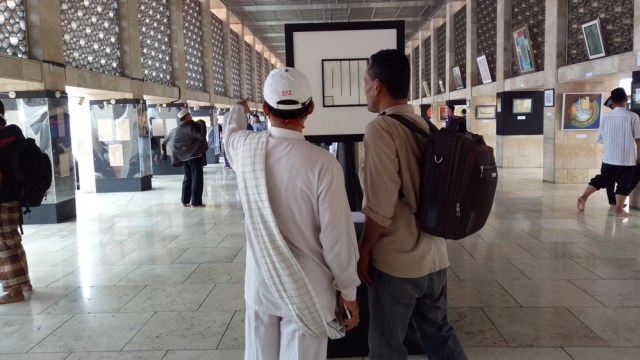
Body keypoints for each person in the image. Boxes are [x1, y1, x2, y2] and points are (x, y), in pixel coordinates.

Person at [224, 67, 360, 360]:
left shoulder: (244, 150)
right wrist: (348, 291)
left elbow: (230, 132)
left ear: (264, 109)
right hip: (308, 294)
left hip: (260, 288)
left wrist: (238, 108)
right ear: (310, 109)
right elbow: (337, 239)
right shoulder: (324, 165)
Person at [358, 49, 467, 360]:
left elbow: (381, 206)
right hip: (435, 259)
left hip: (397, 265)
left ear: (377, 85)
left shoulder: (381, 128)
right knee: (439, 337)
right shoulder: (424, 125)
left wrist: (364, 251)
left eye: (365, 81)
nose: (364, 89)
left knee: (386, 348)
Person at [577, 87, 640, 217]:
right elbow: (638, 139)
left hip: (608, 157)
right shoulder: (633, 117)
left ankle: (583, 197)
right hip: (626, 158)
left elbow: (600, 138)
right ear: (626, 100)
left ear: (612, 102)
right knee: (624, 184)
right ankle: (618, 210)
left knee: (602, 179)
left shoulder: (605, 117)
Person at [0, 100, 33, 305]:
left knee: (3, 244)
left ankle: (14, 291)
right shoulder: (12, 135)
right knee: (12, 240)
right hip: (14, 197)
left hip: (1, 199)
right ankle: (24, 282)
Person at [162, 109, 207, 207]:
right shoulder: (190, 128)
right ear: (186, 117)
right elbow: (201, 136)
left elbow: (164, 143)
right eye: (190, 116)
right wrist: (203, 124)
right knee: (197, 179)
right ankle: (196, 202)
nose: (192, 118)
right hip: (194, 156)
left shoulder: (174, 130)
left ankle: (185, 200)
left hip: (183, 159)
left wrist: (164, 154)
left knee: (187, 178)